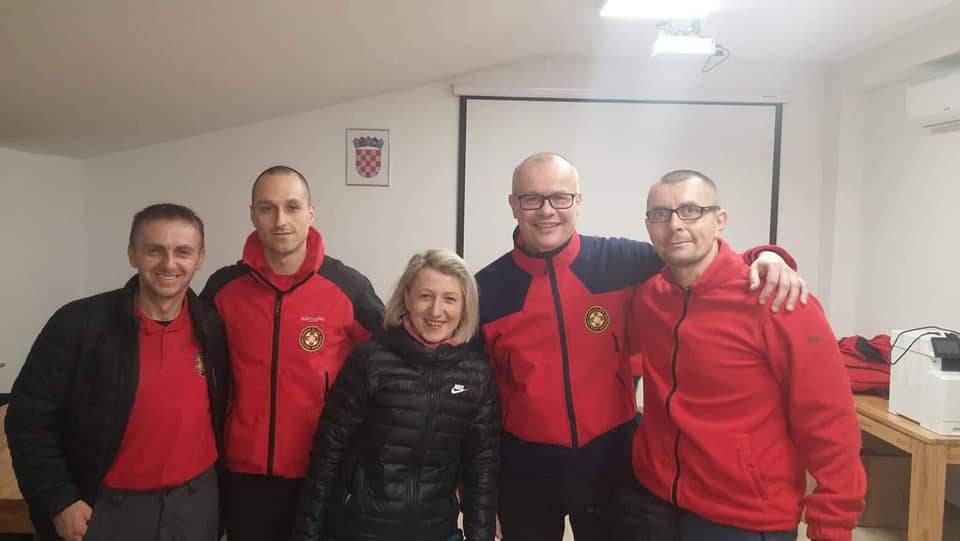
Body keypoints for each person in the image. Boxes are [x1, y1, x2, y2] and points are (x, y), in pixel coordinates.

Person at [474, 153, 808, 541]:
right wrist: (477, 494)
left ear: (578, 202)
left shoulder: (619, 261)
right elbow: (474, 401)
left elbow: (697, 255)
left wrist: (765, 256)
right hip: (523, 471)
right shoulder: (486, 289)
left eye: (560, 197)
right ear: (513, 205)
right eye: (531, 199)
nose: (547, 211)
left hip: (612, 463)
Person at [626, 170, 865, 540]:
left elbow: (829, 420)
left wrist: (832, 524)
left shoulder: (779, 301)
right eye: (661, 214)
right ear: (648, 225)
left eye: (691, 210)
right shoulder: (649, 297)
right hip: (657, 499)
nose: (675, 225)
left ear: (720, 220)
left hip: (746, 515)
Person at [6, 204, 228, 541]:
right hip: (104, 510)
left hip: (196, 505)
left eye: (183, 251)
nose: (169, 264)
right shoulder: (78, 324)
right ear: (132, 254)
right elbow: (28, 420)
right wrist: (58, 500)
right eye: (154, 250)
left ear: (199, 258)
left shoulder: (212, 326)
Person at [201, 165, 384, 541]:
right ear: (252, 215)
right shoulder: (224, 289)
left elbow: (389, 364)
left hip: (324, 469)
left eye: (292, 207)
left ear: (310, 213)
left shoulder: (347, 287)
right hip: (244, 474)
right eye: (267, 208)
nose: (280, 220)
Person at [292, 249, 500, 541]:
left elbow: (481, 470)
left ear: (465, 305)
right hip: (359, 530)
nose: (436, 311)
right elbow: (328, 452)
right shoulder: (369, 361)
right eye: (425, 296)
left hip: (436, 531)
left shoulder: (477, 374)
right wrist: (307, 534)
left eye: (450, 299)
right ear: (407, 298)